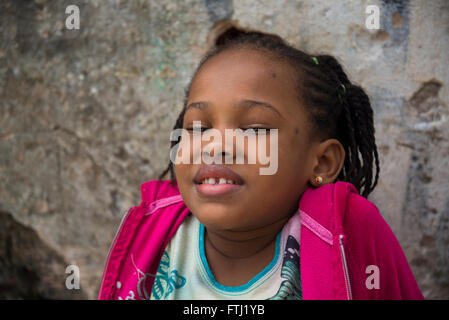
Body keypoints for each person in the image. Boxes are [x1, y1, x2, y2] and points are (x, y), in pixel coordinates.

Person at [98, 29, 424, 300]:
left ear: (322, 162)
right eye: (198, 127)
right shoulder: (153, 230)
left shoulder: (349, 230)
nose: (215, 145)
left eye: (254, 129)